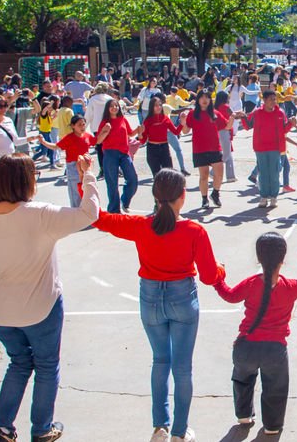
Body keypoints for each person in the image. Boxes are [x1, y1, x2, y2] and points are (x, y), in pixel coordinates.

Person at [0, 154, 99, 442]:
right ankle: (42, 428)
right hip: (40, 308)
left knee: (19, 362)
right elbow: (88, 213)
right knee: (45, 365)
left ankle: (3, 427)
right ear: (25, 181)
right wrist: (88, 176)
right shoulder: (40, 214)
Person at [94, 168, 223, 442]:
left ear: (155, 195)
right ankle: (179, 431)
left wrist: (87, 182)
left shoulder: (141, 226)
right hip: (182, 298)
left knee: (160, 360)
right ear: (182, 197)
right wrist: (222, 270)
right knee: (182, 367)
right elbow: (211, 276)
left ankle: (160, 427)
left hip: (150, 297)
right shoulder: (193, 231)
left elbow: (100, 218)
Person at [214, 232, 297, 435]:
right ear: (283, 259)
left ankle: (244, 415)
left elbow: (228, 295)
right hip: (275, 349)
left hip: (246, 346)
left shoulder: (250, 283)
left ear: (259, 258)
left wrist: (218, 277)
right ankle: (272, 425)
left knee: (242, 380)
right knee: (276, 388)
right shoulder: (290, 286)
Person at [239, 91, 291, 209]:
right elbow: (247, 126)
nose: (274, 102)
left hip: (275, 148)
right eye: (271, 99)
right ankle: (263, 196)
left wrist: (291, 124)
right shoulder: (257, 113)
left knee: (274, 173)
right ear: (264, 100)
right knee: (263, 174)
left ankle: (273, 197)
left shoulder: (280, 113)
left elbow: (284, 129)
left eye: (275, 99)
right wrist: (242, 117)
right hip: (260, 147)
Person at [180, 92, 231, 210]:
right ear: (198, 100)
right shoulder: (193, 114)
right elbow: (186, 131)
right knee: (204, 176)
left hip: (215, 148)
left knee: (219, 174)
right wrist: (183, 122)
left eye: (207, 97)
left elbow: (227, 126)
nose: (204, 100)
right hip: (199, 148)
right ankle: (204, 199)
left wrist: (233, 116)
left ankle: (215, 193)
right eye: (202, 97)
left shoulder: (215, 113)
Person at [96, 99, 139, 213]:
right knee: (112, 183)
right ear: (107, 109)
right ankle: (114, 210)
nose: (114, 108)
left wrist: (139, 130)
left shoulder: (123, 119)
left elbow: (130, 133)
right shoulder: (105, 122)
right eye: (111, 106)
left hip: (124, 153)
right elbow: (99, 141)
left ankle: (124, 201)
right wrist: (105, 131)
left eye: (116, 105)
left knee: (132, 179)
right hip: (110, 154)